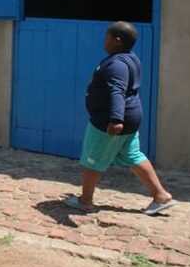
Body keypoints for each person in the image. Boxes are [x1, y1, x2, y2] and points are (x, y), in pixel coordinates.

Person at [65, 21, 177, 216]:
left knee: (91, 160)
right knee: (133, 156)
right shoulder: (130, 58)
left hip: (109, 122)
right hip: (131, 118)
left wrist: (116, 119)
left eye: (107, 37)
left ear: (117, 41)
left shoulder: (117, 65)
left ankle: (85, 201)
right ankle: (160, 195)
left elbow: (117, 92)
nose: (104, 40)